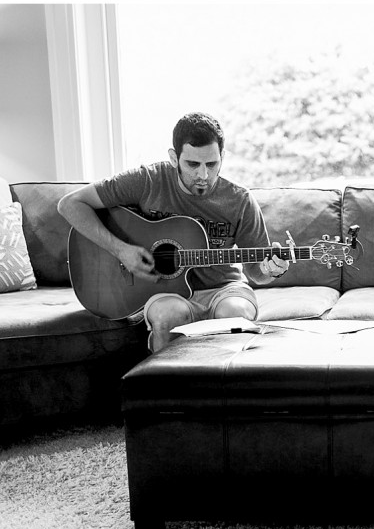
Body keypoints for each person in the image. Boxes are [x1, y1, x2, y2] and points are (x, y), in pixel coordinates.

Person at [58, 112, 289, 352]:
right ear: (173, 158)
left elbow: (257, 272)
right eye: (192, 164)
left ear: (222, 156)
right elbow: (70, 204)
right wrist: (120, 250)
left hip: (225, 289)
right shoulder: (146, 180)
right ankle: (167, 389)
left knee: (234, 313)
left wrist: (270, 269)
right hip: (166, 292)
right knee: (168, 315)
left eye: (212, 164)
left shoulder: (240, 200)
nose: (203, 175)